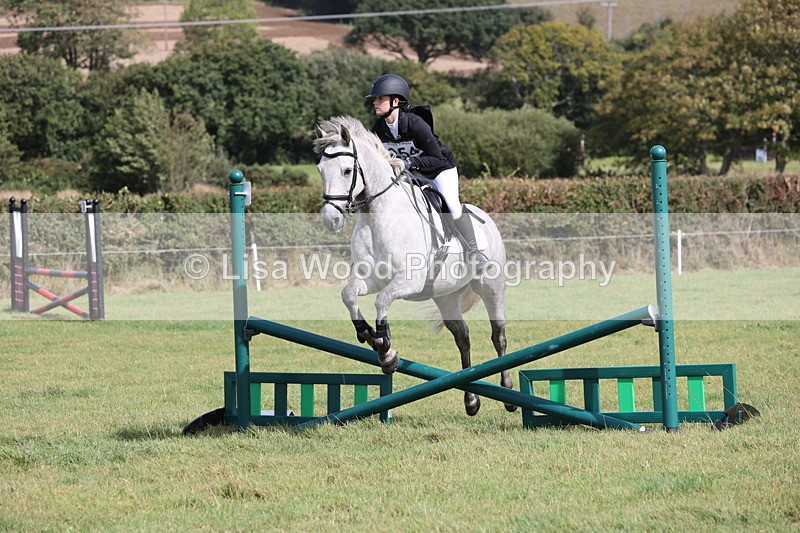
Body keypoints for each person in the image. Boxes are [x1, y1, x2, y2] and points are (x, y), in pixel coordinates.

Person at [365, 73, 489, 273]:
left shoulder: (415, 124)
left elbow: (436, 157)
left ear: (395, 101)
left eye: (380, 98)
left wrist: (410, 163)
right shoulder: (379, 129)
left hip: (439, 169)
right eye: (375, 99)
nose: (375, 103)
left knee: (451, 204)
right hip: (412, 173)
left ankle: (475, 253)